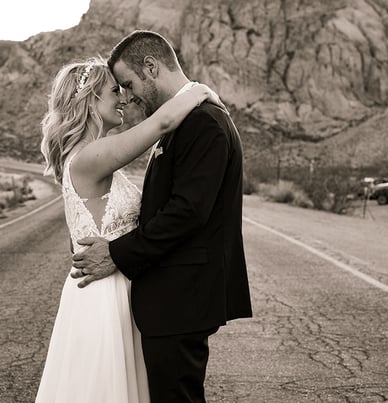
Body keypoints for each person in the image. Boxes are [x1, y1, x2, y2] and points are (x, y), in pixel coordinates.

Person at [72, 30, 253, 402]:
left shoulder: (203, 123)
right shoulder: (185, 121)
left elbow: (186, 213)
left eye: (128, 83)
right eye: (119, 89)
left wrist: (115, 253)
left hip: (181, 298)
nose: (127, 96)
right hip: (169, 299)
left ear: (151, 67)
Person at [36, 56, 220, 403]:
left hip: (114, 284)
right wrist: (201, 90)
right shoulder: (92, 156)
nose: (123, 98)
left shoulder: (86, 156)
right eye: (113, 90)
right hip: (104, 295)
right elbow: (164, 121)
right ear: (90, 99)